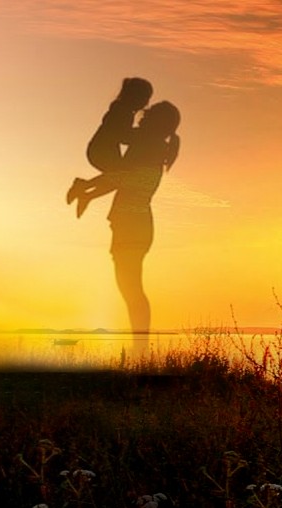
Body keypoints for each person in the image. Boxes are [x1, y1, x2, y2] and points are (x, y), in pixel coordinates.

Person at [100, 100, 181, 358]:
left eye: (148, 115)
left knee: (131, 288)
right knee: (130, 288)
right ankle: (140, 350)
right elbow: (121, 169)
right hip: (133, 223)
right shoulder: (149, 144)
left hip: (132, 224)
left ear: (156, 122)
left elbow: (121, 177)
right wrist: (88, 190)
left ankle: (140, 352)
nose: (142, 117)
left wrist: (87, 189)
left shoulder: (149, 145)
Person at [66, 77, 158, 218]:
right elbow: (122, 136)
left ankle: (86, 194)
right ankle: (83, 188)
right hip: (101, 151)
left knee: (119, 179)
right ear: (135, 96)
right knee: (121, 178)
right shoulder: (122, 111)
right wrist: (142, 135)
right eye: (145, 97)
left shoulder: (122, 110)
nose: (146, 102)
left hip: (102, 150)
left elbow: (121, 135)